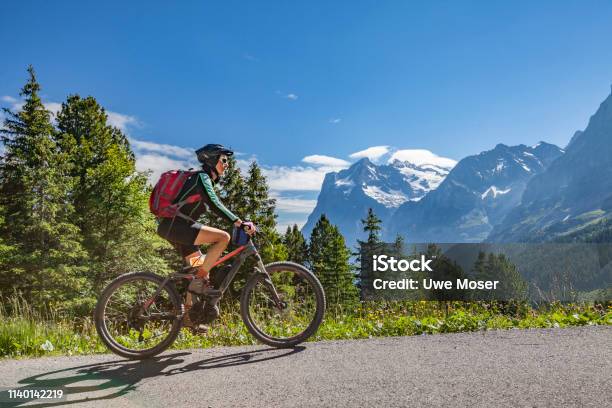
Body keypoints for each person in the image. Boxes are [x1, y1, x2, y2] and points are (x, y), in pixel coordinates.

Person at [156, 144, 256, 297]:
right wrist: (239, 222)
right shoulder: (202, 178)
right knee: (224, 238)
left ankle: (189, 316)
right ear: (212, 160)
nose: (226, 164)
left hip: (175, 230)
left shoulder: (201, 179)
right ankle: (198, 281)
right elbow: (214, 203)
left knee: (200, 269)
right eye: (223, 160)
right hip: (177, 227)